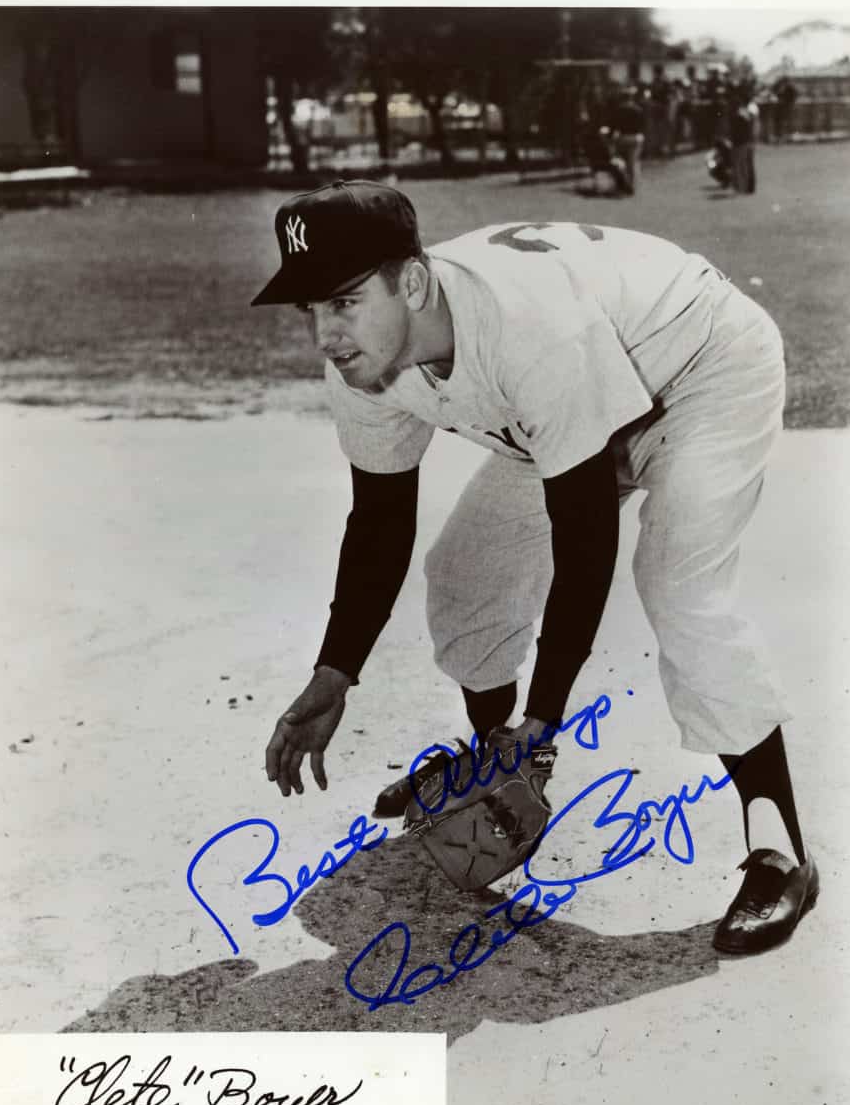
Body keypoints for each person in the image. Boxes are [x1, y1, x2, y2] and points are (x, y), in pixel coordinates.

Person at [253, 179, 819, 955]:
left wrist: (546, 710)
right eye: (310, 309)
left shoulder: (525, 327)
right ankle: (503, 770)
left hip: (699, 372)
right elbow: (381, 520)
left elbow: (582, 532)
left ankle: (779, 848)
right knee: (465, 576)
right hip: (563, 401)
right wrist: (335, 671)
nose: (326, 334)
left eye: (345, 302)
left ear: (411, 283)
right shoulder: (367, 363)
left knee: (678, 588)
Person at [610, 88, 645, 195]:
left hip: (622, 137)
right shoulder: (638, 109)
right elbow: (642, 125)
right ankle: (632, 186)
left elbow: (614, 125)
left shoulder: (619, 109)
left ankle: (623, 184)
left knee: (621, 162)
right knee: (633, 162)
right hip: (635, 137)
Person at [729, 87, 759, 194]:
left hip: (745, 140)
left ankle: (744, 187)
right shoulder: (747, 110)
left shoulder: (746, 110)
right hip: (748, 139)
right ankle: (746, 187)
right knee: (745, 164)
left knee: (742, 164)